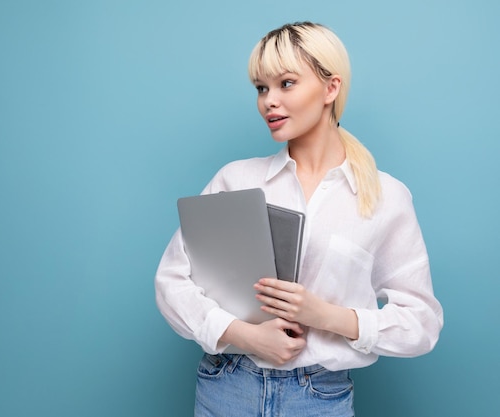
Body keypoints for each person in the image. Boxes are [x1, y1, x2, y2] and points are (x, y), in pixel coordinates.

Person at [155, 21, 443, 416]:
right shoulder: (235, 179)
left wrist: (327, 316)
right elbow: (171, 281)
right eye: (261, 88)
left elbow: (421, 324)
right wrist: (247, 336)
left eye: (286, 83)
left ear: (331, 88)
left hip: (319, 396)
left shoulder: (386, 196)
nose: (269, 101)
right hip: (228, 385)